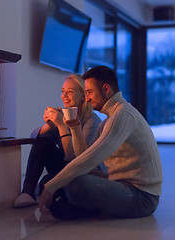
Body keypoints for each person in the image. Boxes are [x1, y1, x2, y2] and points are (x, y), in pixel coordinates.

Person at [38, 65, 163, 219]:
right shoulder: (109, 120)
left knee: (74, 184)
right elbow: (84, 156)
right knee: (54, 180)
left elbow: (89, 160)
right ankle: (82, 205)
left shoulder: (123, 116)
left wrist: (50, 188)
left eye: (89, 92)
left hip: (142, 197)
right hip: (121, 185)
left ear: (106, 89)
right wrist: (75, 127)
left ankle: (88, 208)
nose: (88, 98)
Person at [14, 74, 102, 208]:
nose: (64, 96)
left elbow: (73, 157)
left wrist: (61, 126)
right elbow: (35, 139)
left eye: (70, 92)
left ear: (83, 96)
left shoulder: (92, 121)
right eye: (63, 91)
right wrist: (49, 124)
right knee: (44, 140)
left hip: (85, 171)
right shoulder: (64, 115)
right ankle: (27, 192)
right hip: (67, 168)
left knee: (46, 182)